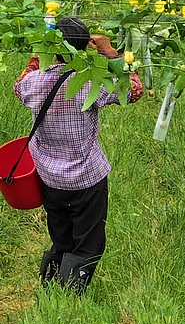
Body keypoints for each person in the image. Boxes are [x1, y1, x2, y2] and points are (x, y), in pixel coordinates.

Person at [13, 16, 144, 294]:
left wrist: (41, 55)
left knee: (61, 237)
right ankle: (70, 297)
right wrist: (112, 53)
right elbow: (133, 90)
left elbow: (19, 84)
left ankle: (50, 288)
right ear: (82, 49)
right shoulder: (88, 83)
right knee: (88, 243)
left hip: (48, 177)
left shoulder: (34, 83)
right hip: (86, 178)